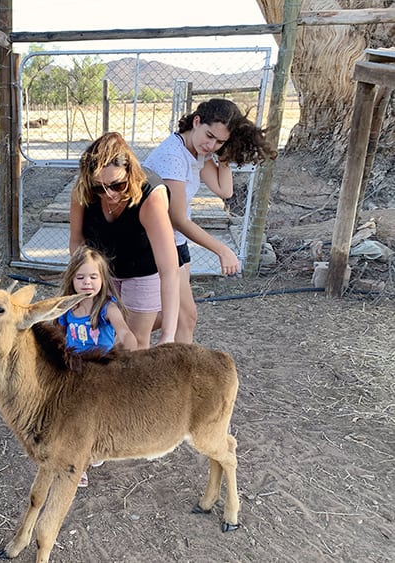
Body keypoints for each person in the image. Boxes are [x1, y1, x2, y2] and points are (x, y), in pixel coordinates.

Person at [144, 98, 277, 343]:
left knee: (184, 317)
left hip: (174, 243)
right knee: (171, 317)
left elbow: (224, 190)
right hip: (156, 244)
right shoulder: (173, 156)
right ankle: (110, 332)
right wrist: (222, 250)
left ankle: (175, 374)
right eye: (209, 136)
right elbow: (177, 218)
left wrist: (224, 157)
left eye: (220, 141)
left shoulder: (197, 151)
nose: (211, 144)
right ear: (196, 121)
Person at [69, 131, 180, 350]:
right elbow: (76, 241)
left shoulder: (151, 198)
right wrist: (87, 276)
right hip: (103, 270)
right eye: (99, 187)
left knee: (135, 344)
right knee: (103, 336)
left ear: (130, 173)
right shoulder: (83, 192)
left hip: (142, 269)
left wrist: (168, 334)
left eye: (117, 185)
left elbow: (169, 270)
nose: (109, 194)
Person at [56, 245, 136, 487]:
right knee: (73, 419)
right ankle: (79, 462)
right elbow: (58, 334)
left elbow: (123, 330)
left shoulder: (106, 307)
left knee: (95, 420)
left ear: (103, 279)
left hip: (100, 373)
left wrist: (129, 348)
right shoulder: (68, 307)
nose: (87, 283)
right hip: (74, 371)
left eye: (93, 277)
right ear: (72, 279)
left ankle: (88, 455)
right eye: (80, 277)